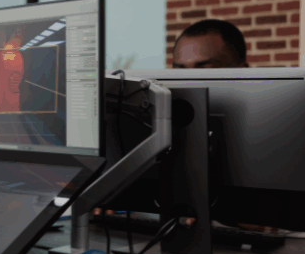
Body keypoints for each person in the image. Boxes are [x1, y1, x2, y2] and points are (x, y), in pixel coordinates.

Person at [93, 19, 248, 218]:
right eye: (180, 70)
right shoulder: (157, 124)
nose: (190, 81)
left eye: (205, 69)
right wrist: (112, 196)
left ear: (243, 70)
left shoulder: (263, 131)